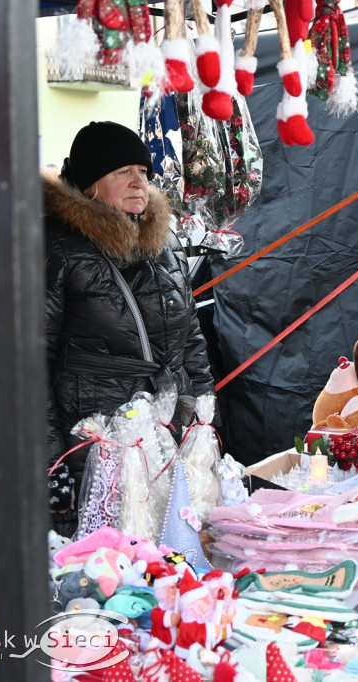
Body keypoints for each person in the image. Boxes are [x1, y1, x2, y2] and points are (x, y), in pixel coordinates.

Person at [43, 121, 215, 537]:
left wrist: (204, 414)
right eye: (123, 172)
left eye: (144, 171)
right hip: (97, 439)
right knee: (102, 568)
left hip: (166, 432)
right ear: (89, 186)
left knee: (170, 552)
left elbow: (190, 336)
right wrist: (49, 459)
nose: (139, 182)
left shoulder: (164, 244)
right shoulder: (57, 248)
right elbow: (29, 359)